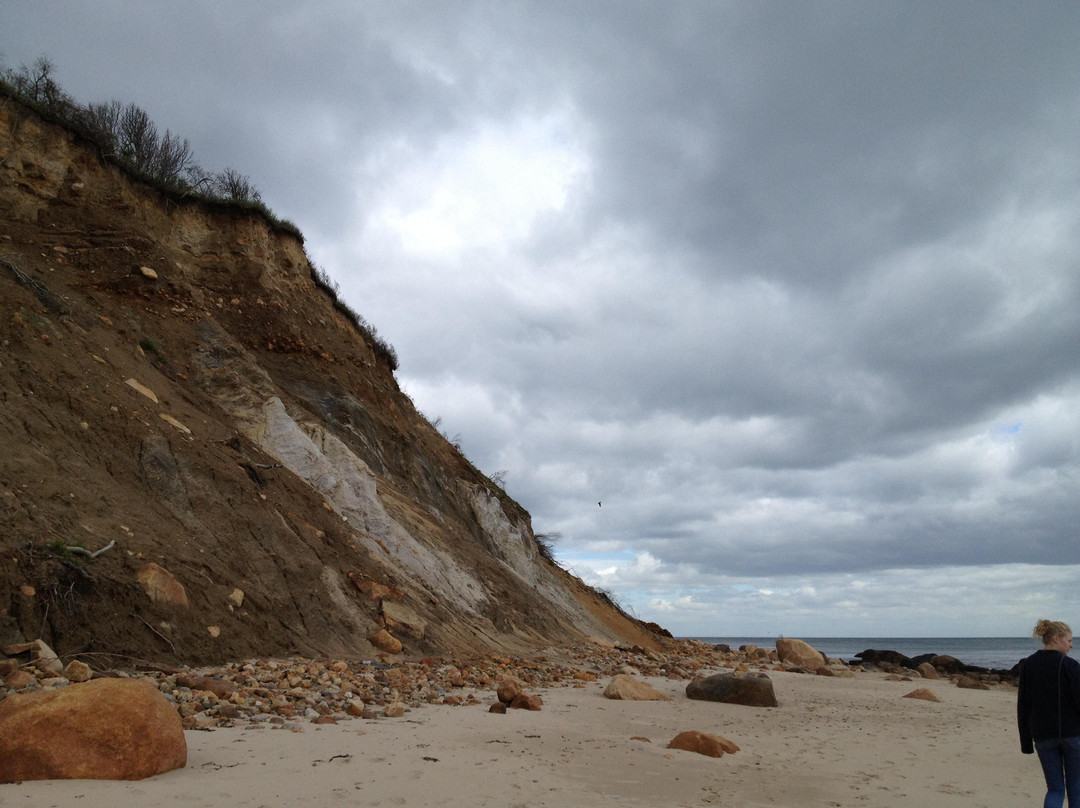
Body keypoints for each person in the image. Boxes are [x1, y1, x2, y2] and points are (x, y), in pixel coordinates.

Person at [1018, 619, 1080, 808]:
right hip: (1072, 736)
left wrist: (1026, 742)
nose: (1071, 645)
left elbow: (1023, 706)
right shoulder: (1070, 665)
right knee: (1075, 787)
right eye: (1069, 640)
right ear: (1055, 638)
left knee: (1055, 789)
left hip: (1043, 737)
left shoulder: (1028, 665)